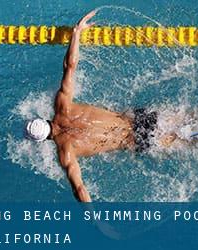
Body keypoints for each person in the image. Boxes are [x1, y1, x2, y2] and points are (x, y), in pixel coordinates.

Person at [25, 11, 177, 202]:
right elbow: (70, 66)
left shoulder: (66, 152)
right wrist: (76, 33)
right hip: (139, 118)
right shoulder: (62, 105)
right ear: (43, 119)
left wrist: (95, 221)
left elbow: (79, 189)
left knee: (194, 141)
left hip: (138, 140)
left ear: (43, 140)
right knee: (193, 118)